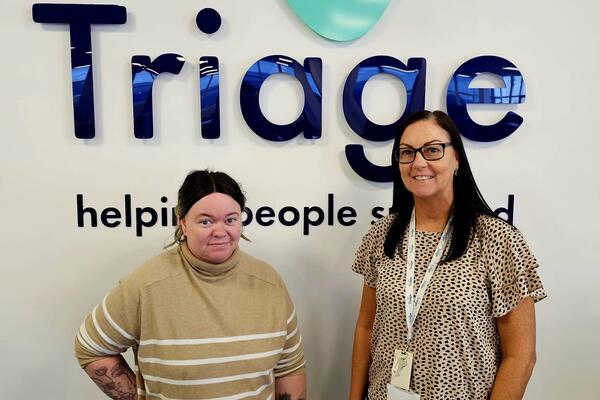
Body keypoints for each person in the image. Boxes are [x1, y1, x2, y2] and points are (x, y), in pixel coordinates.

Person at [349, 111, 546, 400]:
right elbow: (366, 326)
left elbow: (521, 357)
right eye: (407, 153)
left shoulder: (498, 239)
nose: (418, 162)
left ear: (456, 159)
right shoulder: (383, 235)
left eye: (432, 150)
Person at [75, 170, 307, 400]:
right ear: (183, 223)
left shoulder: (269, 283)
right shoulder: (147, 285)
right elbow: (90, 347)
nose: (220, 231)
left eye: (230, 220)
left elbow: (289, 367)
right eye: (206, 221)